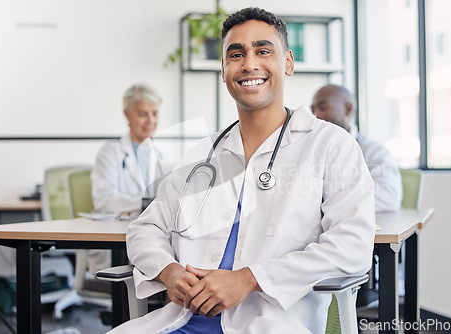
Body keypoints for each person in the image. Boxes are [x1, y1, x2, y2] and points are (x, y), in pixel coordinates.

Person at [113, 7, 375, 333]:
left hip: (270, 324)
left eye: (263, 51)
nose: (249, 63)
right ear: (223, 70)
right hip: (181, 322)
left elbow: (354, 246)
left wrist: (250, 280)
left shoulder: (330, 145)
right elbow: (145, 228)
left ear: (288, 62)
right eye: (236, 54)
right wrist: (169, 272)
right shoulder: (204, 154)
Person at [89, 83, 165, 275]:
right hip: (117, 241)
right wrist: (144, 203)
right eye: (142, 114)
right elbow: (104, 200)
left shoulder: (162, 155)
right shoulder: (110, 153)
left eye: (154, 114)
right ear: (127, 114)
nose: (150, 120)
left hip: (151, 235)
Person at [311, 84, 403, 212]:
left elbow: (388, 197)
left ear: (348, 109)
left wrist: (330, 202)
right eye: (313, 110)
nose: (316, 115)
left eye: (323, 107)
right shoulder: (311, 150)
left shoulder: (373, 151)